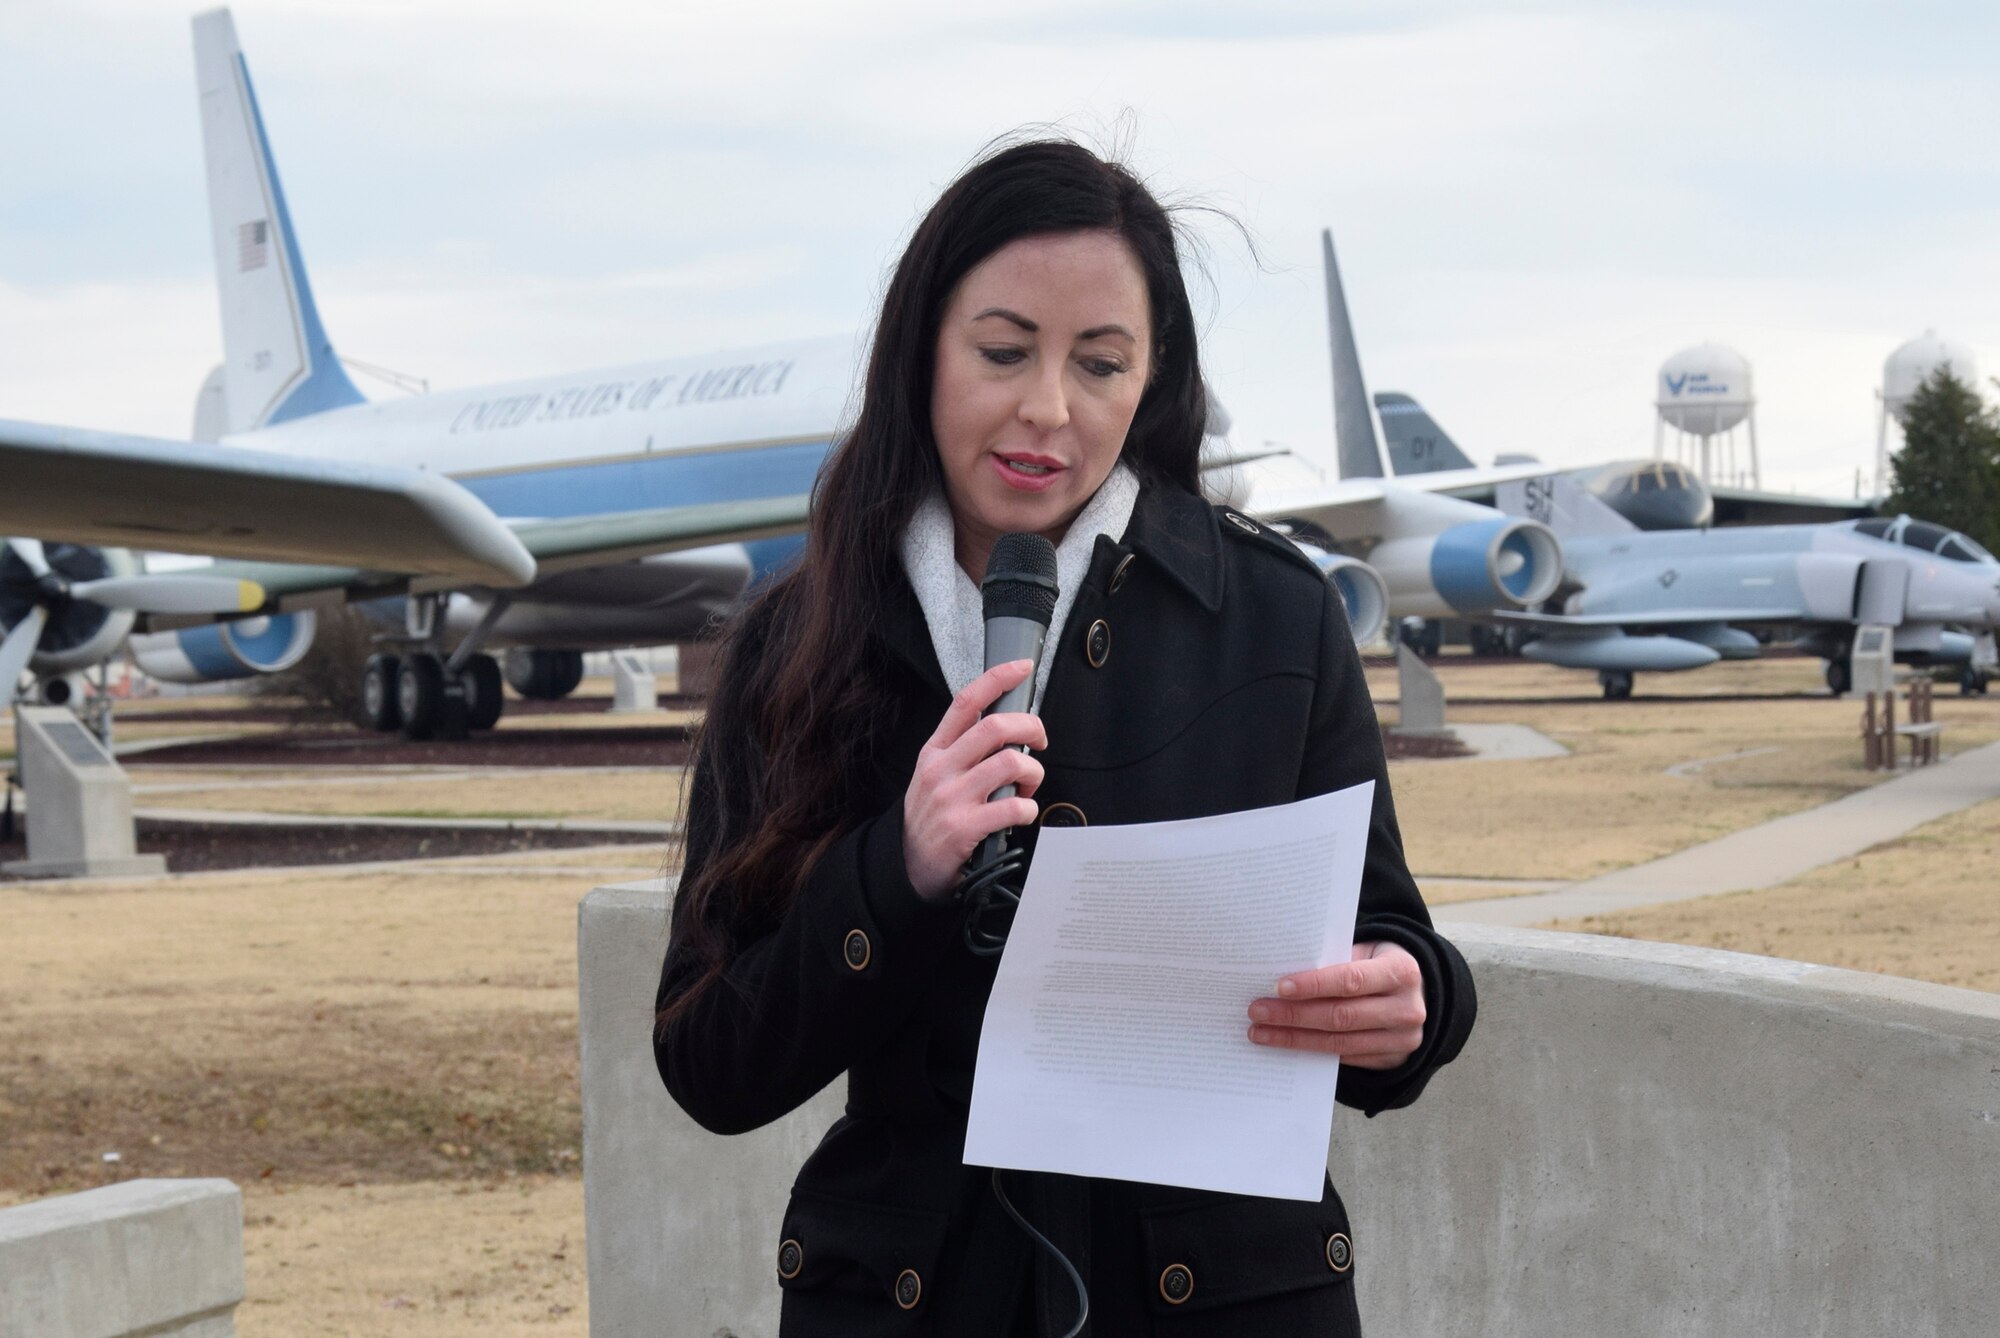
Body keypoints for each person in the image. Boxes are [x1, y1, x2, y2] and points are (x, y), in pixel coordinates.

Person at [654, 138, 1475, 1337]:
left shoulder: (1276, 613)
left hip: (1225, 1298)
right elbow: (710, 1063)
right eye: (1002, 352)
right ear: (919, 352)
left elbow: (1388, 939)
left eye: (1099, 364)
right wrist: (897, 869)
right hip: (911, 1297)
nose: (1048, 409)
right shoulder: (798, 641)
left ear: (1152, 377)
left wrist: (1414, 1006)